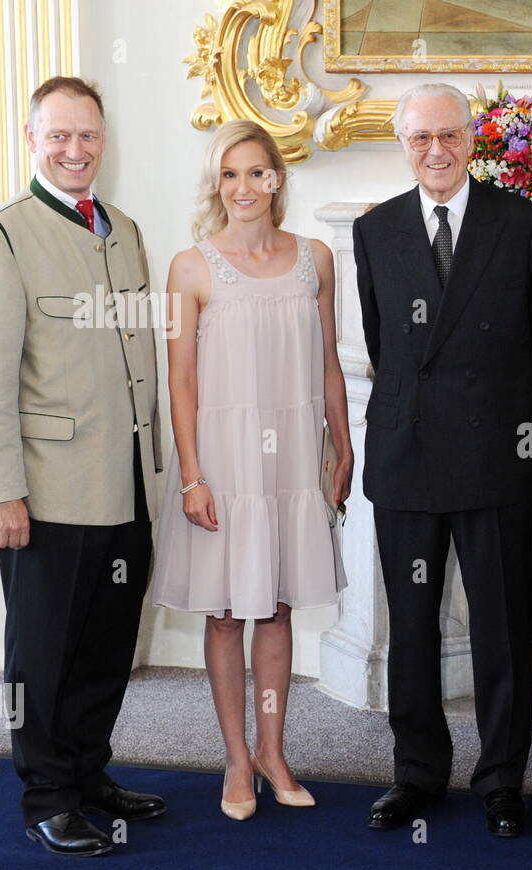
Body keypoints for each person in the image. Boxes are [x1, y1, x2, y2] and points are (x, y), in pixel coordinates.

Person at [0, 77, 165, 856]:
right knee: (41, 656)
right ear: (31, 138)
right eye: (59, 136)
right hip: (45, 493)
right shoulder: (3, 235)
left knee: (108, 647)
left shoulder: (128, 229)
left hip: (127, 486)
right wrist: (0, 490)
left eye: (88, 136)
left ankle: (87, 773)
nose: (75, 150)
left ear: (104, 140)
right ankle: (46, 794)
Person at [351, 83, 532, 838]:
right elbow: (387, 347)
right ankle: (417, 774)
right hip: (408, 456)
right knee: (411, 626)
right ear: (402, 144)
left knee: (502, 627)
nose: (435, 151)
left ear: (473, 140)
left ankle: (503, 779)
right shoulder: (376, 230)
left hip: (498, 458)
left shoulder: (524, 223)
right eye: (419, 138)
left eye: (449, 135)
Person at [152, 119, 352, 820]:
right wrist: (192, 477)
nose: (244, 187)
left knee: (279, 605)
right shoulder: (190, 267)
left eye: (257, 172)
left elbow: (328, 359)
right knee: (230, 610)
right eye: (230, 174)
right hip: (225, 463)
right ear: (217, 183)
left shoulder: (316, 259)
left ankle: (274, 749)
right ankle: (236, 758)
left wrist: (341, 443)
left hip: (294, 455)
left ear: (278, 178)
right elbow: (179, 381)